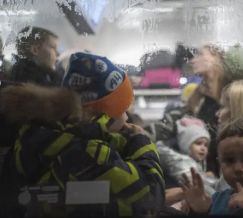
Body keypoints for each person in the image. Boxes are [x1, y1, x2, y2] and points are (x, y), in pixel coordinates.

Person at [0, 52, 165, 216]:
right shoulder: (89, 154)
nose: (127, 117)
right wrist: (141, 142)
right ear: (105, 114)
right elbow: (148, 201)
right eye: (123, 109)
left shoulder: (41, 133)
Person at [145, 44, 243, 176]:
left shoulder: (235, 95)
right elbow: (171, 123)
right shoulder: (200, 96)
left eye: (200, 54)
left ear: (217, 59)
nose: (193, 60)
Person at [158, 119, 218, 206]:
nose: (203, 148)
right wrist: (214, 182)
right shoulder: (182, 163)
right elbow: (195, 184)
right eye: (198, 143)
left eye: (206, 145)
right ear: (185, 144)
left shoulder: (193, 163)